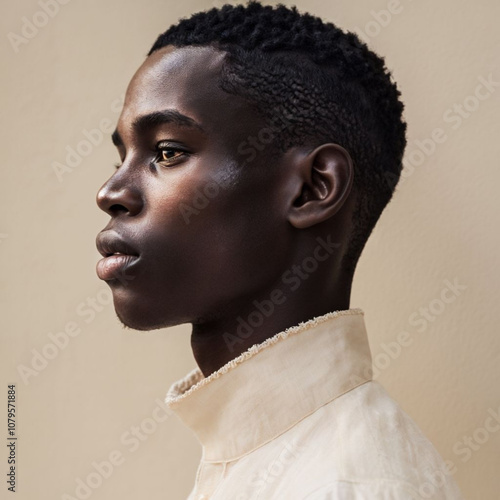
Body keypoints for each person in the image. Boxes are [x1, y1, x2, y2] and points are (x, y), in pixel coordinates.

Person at [95, 2, 463, 498]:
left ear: (312, 188)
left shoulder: (346, 486)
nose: (110, 192)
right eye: (123, 156)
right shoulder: (265, 460)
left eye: (167, 152)